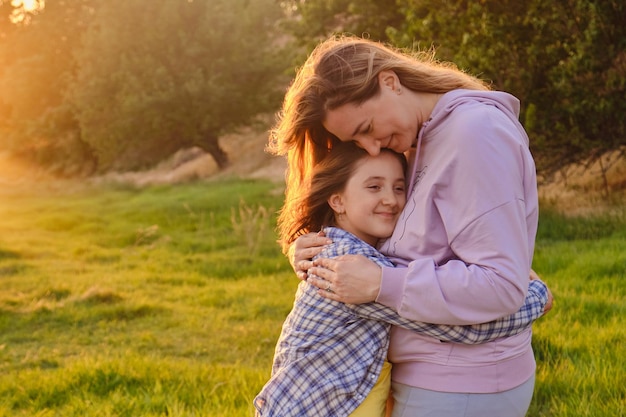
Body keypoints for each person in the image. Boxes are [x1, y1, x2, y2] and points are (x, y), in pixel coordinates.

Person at [269, 36, 554, 417]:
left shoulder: (472, 134)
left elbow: (499, 284)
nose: (370, 148)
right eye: (354, 140)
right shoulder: (419, 141)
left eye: (366, 127)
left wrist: (378, 284)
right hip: (431, 376)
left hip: (462, 384)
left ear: (390, 82)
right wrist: (309, 250)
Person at [254, 141, 550, 417]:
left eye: (398, 187)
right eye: (374, 186)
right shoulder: (346, 266)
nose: (391, 200)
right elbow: (460, 329)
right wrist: (535, 296)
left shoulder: (352, 248)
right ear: (337, 200)